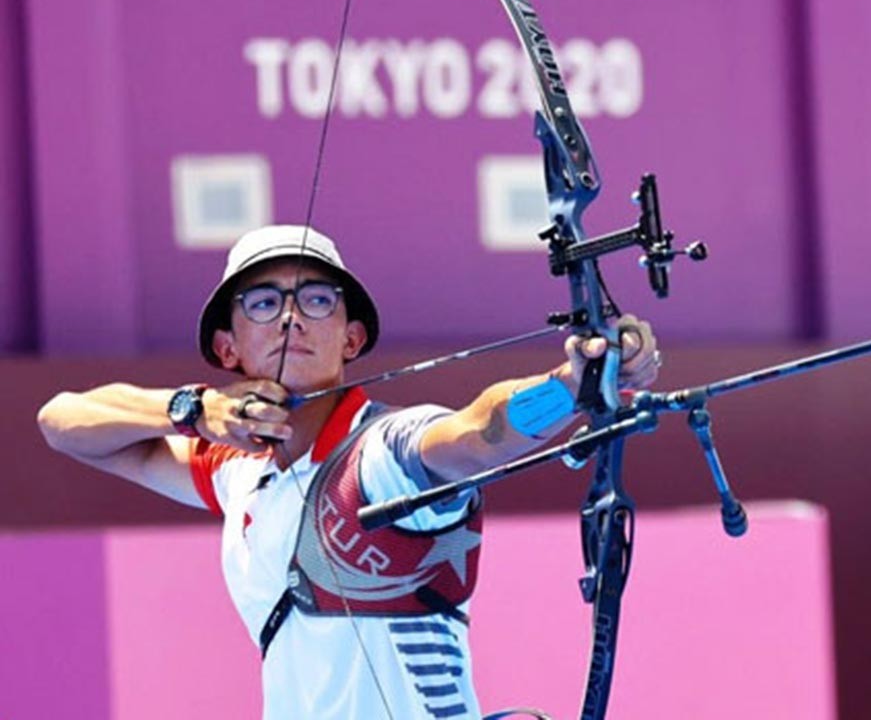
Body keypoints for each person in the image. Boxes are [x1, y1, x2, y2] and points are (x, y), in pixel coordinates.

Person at [37, 224, 659, 720]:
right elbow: (63, 423)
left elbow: (477, 433)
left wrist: (574, 386)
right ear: (228, 348)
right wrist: (193, 409)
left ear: (351, 338)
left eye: (315, 299)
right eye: (262, 302)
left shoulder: (384, 452)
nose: (290, 317)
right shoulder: (237, 467)